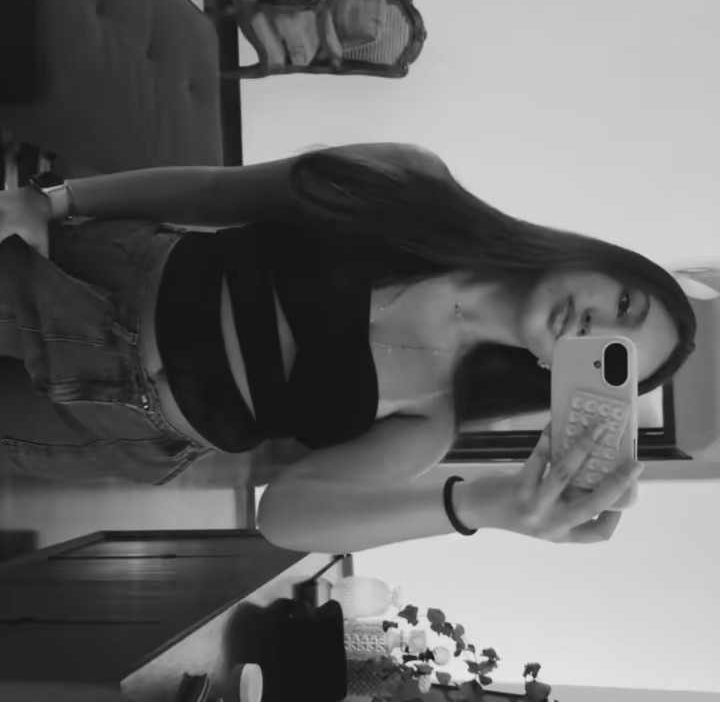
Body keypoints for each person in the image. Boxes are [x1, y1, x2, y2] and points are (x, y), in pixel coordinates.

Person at [0, 143, 696, 553]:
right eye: (624, 304)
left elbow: (283, 516)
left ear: (558, 374)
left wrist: (485, 505)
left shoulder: (430, 423)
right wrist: (54, 200)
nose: (595, 325)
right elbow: (216, 190)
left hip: (109, 424)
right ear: (597, 258)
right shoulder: (413, 185)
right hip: (85, 277)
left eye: (617, 348)